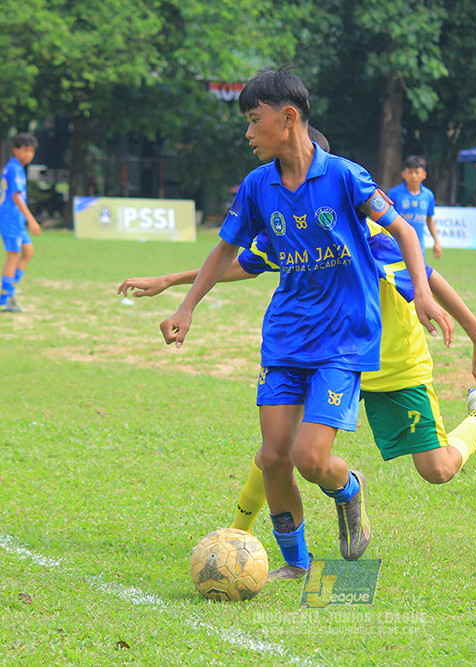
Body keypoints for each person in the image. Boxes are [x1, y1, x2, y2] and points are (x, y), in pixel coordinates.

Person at [158, 69, 454, 578]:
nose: (248, 133)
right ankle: (297, 565)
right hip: (286, 338)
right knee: (274, 456)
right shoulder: (256, 187)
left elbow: (404, 230)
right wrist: (187, 306)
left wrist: (423, 293)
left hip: (344, 341)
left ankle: (349, 489)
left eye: (254, 121)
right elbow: (227, 250)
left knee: (310, 458)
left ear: (287, 118)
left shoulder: (344, 176)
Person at [0, 133, 42, 312]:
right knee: (13, 256)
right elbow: (16, 196)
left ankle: (10, 291)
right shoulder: (14, 168)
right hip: (10, 217)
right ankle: (4, 299)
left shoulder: (18, 168)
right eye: (26, 150)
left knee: (28, 252)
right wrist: (31, 219)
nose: (29, 154)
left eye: (32, 151)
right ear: (16, 150)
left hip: (16, 219)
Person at [388, 155, 441, 258]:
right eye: (410, 172)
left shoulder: (428, 195)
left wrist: (436, 242)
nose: (413, 176)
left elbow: (429, 219)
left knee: (417, 273)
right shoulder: (394, 193)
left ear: (424, 175)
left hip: (418, 246)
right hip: (396, 246)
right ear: (403, 174)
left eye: (417, 172)